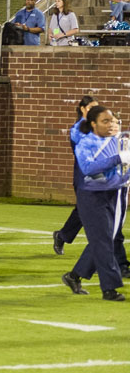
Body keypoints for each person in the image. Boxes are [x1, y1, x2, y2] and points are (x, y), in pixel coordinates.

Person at [61, 105, 130, 300]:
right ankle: (110, 288)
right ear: (93, 124)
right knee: (103, 242)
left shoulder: (117, 141)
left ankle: (74, 276)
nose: (110, 125)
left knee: (105, 240)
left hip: (114, 194)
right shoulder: (86, 142)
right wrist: (118, 158)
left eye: (112, 121)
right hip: (92, 197)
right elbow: (88, 168)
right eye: (105, 121)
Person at [53, 96, 100, 257]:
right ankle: (65, 236)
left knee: (87, 209)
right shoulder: (78, 128)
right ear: (83, 109)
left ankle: (63, 235)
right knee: (86, 208)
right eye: (91, 108)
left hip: (97, 173)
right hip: (83, 173)